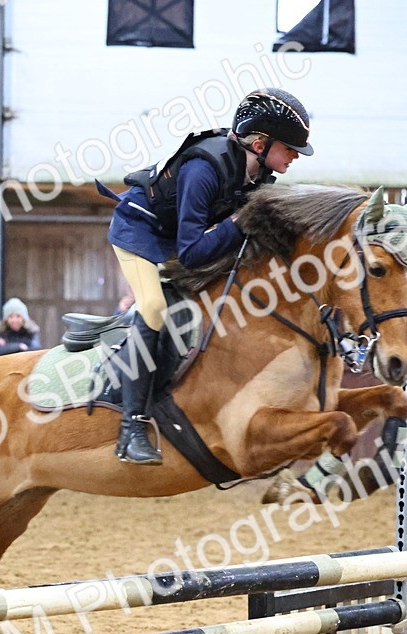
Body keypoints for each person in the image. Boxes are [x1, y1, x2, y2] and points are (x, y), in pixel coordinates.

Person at [98, 88, 313, 465]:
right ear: (260, 144)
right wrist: (240, 221)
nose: (295, 156)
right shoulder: (204, 168)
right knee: (152, 307)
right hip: (139, 232)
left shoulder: (258, 175)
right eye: (290, 148)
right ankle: (131, 428)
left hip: (179, 238)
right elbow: (193, 252)